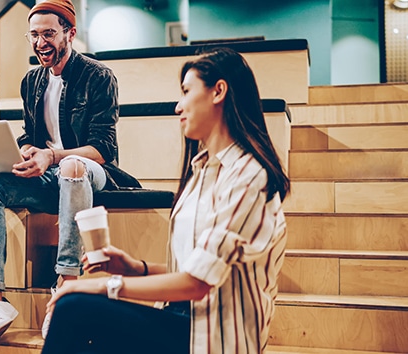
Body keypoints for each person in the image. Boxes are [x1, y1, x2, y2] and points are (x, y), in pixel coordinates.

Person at [41, 47, 291, 354]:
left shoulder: (250, 177)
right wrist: (134, 267)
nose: (178, 106)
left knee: (75, 306)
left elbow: (198, 283)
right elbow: (193, 267)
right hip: (181, 320)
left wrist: (103, 285)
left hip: (213, 340)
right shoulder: (202, 171)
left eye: (186, 91)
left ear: (218, 92)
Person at [0, 0, 140, 341]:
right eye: (34, 35)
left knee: (72, 166)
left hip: (91, 171)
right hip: (50, 175)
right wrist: (24, 150)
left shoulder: (98, 76)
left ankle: (66, 284)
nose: (40, 42)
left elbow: (104, 148)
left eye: (48, 33)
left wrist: (53, 156)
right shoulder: (32, 81)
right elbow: (34, 137)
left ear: (70, 33)